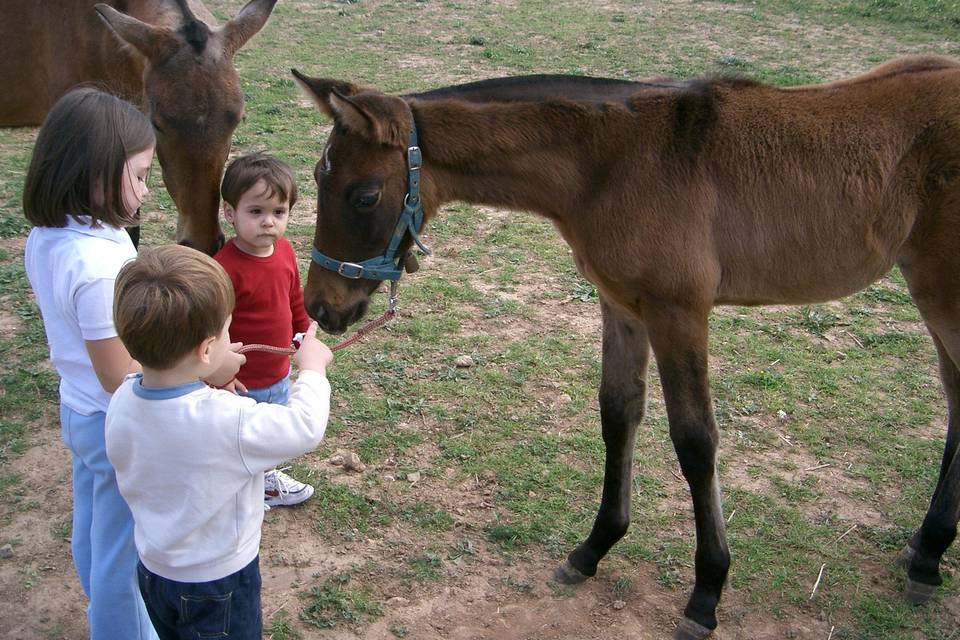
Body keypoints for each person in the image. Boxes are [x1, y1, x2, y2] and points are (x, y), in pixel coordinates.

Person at [22, 87, 205, 639]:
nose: (149, 191)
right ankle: (120, 628)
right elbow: (118, 371)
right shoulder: (98, 263)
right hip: (114, 422)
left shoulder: (52, 235)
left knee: (96, 532)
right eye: (142, 175)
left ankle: (108, 607)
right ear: (96, 173)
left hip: (81, 412)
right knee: (126, 560)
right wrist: (199, 371)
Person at [105, 244, 333, 639]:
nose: (231, 339)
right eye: (227, 331)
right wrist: (312, 370)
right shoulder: (229, 420)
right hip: (219, 582)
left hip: (156, 572)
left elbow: (177, 414)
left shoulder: (122, 399)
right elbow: (304, 425)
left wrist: (208, 371)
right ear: (206, 348)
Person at [214, 152, 316, 509]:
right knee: (238, 440)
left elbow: (294, 298)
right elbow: (213, 328)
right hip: (239, 381)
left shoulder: (285, 251)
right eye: (255, 212)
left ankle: (266, 481)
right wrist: (219, 375)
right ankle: (233, 493)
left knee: (270, 437)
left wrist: (303, 332)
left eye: (278, 212)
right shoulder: (223, 268)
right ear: (230, 213)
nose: (268, 223)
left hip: (278, 372)